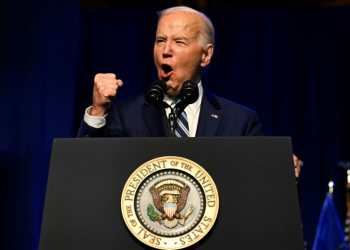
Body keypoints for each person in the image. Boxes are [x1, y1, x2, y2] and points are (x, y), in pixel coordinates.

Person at [77, 6, 301, 178]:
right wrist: (98, 110)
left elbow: (264, 196)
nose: (166, 51)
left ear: (206, 55)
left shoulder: (240, 122)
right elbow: (87, 174)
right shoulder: (124, 115)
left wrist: (284, 177)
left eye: (179, 42)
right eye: (160, 40)